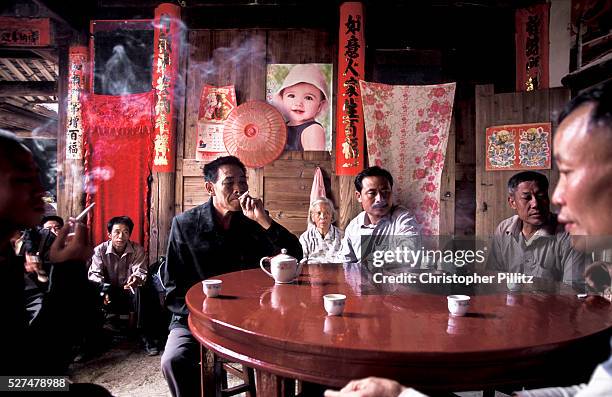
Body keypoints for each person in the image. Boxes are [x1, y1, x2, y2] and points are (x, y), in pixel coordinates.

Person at [325, 81, 612, 397]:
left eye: (569, 172)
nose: (552, 200)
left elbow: (571, 295)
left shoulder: (403, 218)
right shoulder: (505, 230)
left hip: (548, 330)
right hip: (505, 316)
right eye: (372, 193)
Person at [160, 155, 302, 397]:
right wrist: (203, 314)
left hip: (249, 316)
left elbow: (295, 254)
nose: (239, 189)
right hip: (194, 317)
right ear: (210, 188)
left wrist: (263, 220)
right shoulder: (185, 224)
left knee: (282, 356)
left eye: (243, 182)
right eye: (229, 183)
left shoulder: (253, 220)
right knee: (174, 360)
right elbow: (172, 287)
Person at [0, 130, 94, 375]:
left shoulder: (7, 253)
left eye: (37, 178)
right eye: (23, 179)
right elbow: (31, 372)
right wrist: (67, 272)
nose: (40, 190)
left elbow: (33, 354)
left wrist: (68, 268)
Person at [486, 171, 588, 286]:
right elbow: (493, 279)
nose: (535, 204)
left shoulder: (569, 233)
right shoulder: (504, 229)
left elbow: (574, 290)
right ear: (512, 202)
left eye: (541, 196)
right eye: (527, 197)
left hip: (554, 303)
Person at [88, 215, 159, 355]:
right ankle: (91, 342)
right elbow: (95, 274)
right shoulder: (99, 250)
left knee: (143, 289)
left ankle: (146, 336)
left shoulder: (137, 249)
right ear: (109, 234)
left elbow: (140, 271)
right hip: (109, 291)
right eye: (117, 232)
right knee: (91, 291)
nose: (121, 236)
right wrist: (103, 287)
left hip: (130, 291)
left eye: (125, 232)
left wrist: (136, 279)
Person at [340, 166, 420, 266]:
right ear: (359, 196)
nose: (380, 199)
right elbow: (345, 264)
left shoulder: (403, 218)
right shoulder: (353, 227)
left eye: (385, 192)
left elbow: (409, 255)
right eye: (372, 193)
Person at [273, 63, 329, 151]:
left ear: (320, 106)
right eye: (291, 96)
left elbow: (313, 163)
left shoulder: (312, 130)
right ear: (282, 99)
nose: (298, 103)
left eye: (308, 98)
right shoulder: (283, 127)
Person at [300, 197, 343, 263]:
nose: (322, 217)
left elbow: (346, 260)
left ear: (332, 216)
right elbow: (302, 261)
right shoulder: (305, 238)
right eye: (319, 213)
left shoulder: (342, 236)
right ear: (312, 216)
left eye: (327, 213)